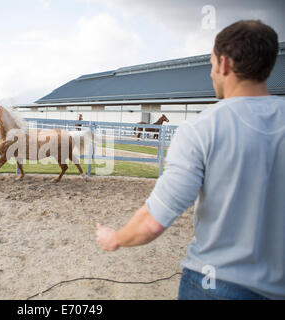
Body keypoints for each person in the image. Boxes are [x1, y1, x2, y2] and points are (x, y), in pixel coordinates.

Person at [96, 20, 284, 300]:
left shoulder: (200, 128)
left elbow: (153, 222)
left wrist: (115, 238)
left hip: (214, 283)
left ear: (223, 64)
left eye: (210, 65)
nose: (211, 74)